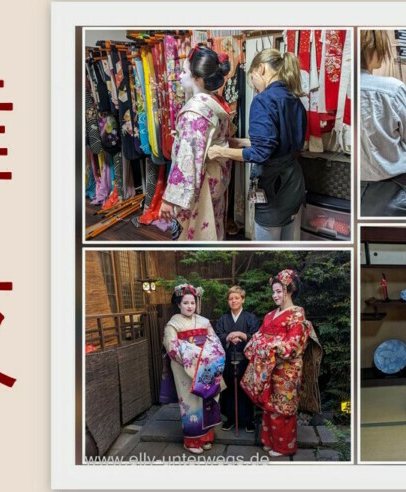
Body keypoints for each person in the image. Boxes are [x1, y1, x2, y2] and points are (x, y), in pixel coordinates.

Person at [207, 49, 308, 241]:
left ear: (260, 69)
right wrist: (240, 142)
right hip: (294, 183)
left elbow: (261, 153)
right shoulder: (294, 98)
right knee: (287, 245)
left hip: (274, 187)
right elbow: (278, 142)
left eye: (252, 78)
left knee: (266, 251)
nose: (254, 87)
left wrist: (220, 151)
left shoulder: (263, 100)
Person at [157, 45, 236, 241]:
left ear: (198, 79)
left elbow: (188, 158)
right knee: (212, 225)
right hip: (215, 179)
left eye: (184, 72)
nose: (180, 76)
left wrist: (169, 198)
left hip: (200, 183)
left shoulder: (195, 112)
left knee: (196, 230)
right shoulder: (214, 101)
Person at [241, 270, 323, 457]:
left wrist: (266, 346)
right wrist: (264, 344)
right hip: (268, 367)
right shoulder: (270, 316)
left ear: (290, 290)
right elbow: (257, 338)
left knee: (283, 408)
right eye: (274, 292)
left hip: (287, 369)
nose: (275, 295)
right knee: (268, 406)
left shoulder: (297, 315)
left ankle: (284, 446)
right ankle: (269, 441)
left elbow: (293, 346)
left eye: (279, 291)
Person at [358, 29, 406, 217]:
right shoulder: (392, 89)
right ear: (370, 48)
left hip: (359, 190)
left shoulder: (346, 92)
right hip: (398, 189)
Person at [164, 284, 226, 454]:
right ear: (179, 304)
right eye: (185, 303)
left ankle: (206, 437)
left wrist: (207, 357)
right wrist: (198, 355)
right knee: (191, 404)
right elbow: (172, 348)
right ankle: (191, 442)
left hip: (206, 368)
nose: (189, 306)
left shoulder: (204, 321)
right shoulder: (173, 324)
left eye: (192, 302)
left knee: (207, 401)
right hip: (185, 369)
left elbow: (214, 342)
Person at [213, 286, 261, 433]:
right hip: (227, 361)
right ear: (228, 301)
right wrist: (227, 337)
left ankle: (249, 420)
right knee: (228, 390)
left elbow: (256, 337)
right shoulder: (223, 319)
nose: (233, 301)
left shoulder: (250, 318)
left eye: (237, 298)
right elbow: (217, 336)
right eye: (231, 298)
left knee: (245, 389)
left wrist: (242, 334)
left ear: (243, 300)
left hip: (245, 361)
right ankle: (230, 418)